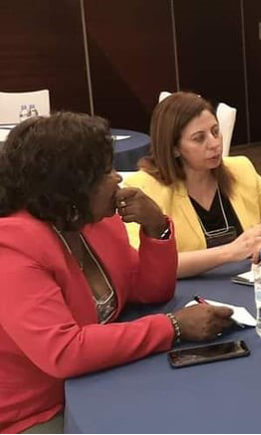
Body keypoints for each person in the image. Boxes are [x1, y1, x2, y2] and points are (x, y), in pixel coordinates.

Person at [0, 113, 234, 434]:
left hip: (103, 376)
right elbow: (64, 351)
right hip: (38, 409)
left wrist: (156, 229)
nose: (118, 179)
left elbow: (148, 292)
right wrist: (173, 327)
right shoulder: (11, 246)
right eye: (105, 172)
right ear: (70, 185)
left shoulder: (98, 221)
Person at [124, 92, 261, 278]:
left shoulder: (240, 169)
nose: (214, 143)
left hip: (247, 283)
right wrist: (229, 252)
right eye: (199, 138)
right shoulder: (145, 187)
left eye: (215, 131)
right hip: (187, 298)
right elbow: (142, 263)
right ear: (174, 148)